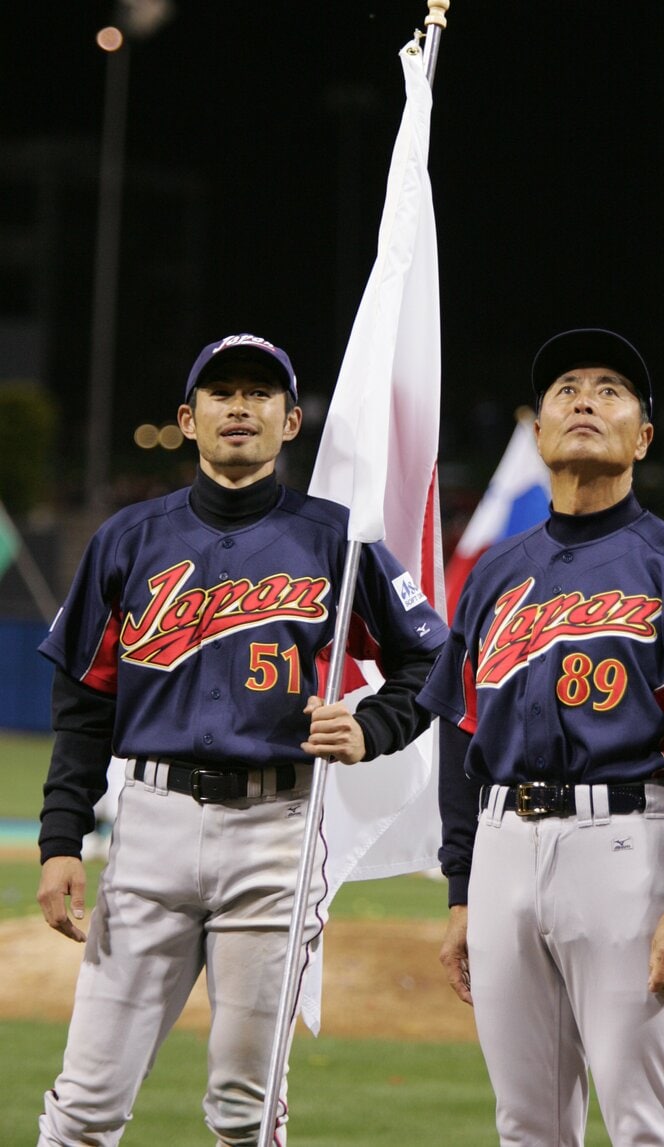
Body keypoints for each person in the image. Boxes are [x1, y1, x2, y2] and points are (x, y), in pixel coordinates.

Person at [36, 332, 449, 1146]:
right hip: (149, 822)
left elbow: (431, 657)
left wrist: (372, 725)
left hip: (275, 831)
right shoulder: (128, 539)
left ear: (290, 421)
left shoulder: (339, 537)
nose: (239, 406)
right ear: (187, 420)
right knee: (85, 1101)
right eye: (220, 392)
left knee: (245, 1108)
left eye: (259, 393)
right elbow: (84, 701)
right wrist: (60, 838)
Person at [417, 328, 664, 1146]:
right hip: (500, 848)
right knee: (526, 1124)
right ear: (536, 432)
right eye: (565, 388)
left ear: (641, 437)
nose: (582, 399)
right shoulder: (494, 574)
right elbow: (460, 736)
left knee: (644, 1122)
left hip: (625, 848)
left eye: (609, 389)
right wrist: (462, 888)